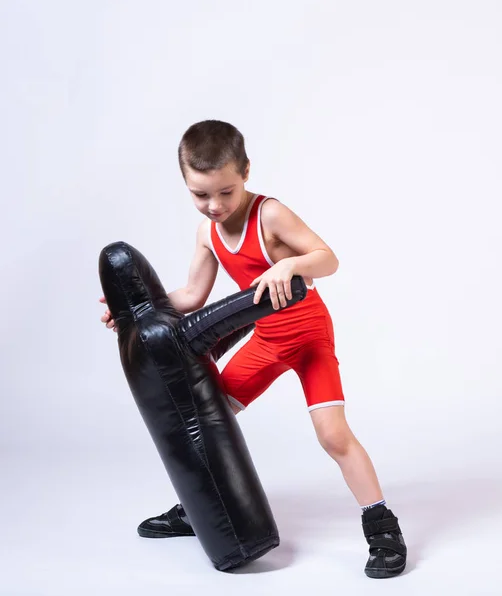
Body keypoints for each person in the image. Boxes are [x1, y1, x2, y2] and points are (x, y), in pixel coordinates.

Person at [99, 120, 407, 578]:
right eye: (200, 195)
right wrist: (129, 311)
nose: (214, 205)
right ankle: (197, 507)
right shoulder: (207, 233)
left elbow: (329, 259)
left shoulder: (270, 214)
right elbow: (191, 297)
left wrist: (292, 266)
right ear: (186, 185)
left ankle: (382, 527)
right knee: (205, 420)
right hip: (265, 341)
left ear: (245, 172)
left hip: (308, 338)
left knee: (332, 436)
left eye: (225, 192)